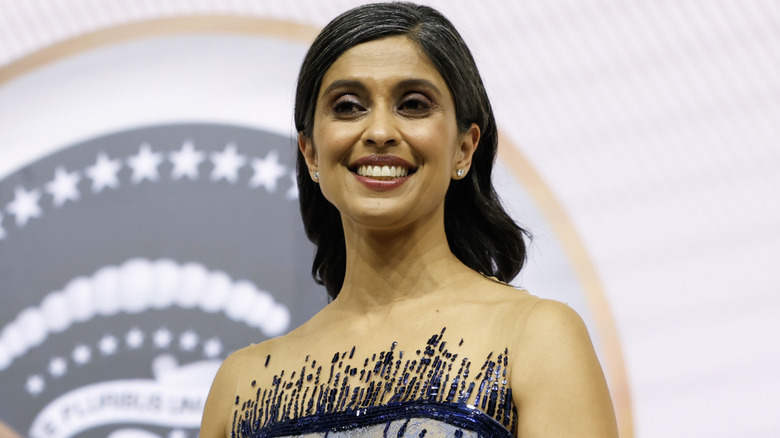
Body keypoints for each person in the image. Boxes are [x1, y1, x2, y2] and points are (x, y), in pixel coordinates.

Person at [200, 3, 618, 437]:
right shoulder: (241, 387)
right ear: (310, 153)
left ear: (464, 149)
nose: (380, 131)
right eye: (348, 106)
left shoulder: (536, 338)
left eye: (414, 104)